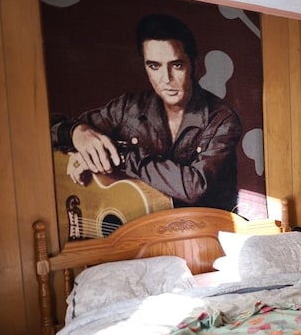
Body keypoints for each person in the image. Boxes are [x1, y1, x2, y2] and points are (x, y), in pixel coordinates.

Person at [51, 13, 242, 211]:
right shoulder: (127, 108)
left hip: (203, 230)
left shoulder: (222, 119)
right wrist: (76, 133)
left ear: (194, 64)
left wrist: (121, 156)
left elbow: (195, 186)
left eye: (176, 65)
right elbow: (43, 129)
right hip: (139, 230)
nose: (166, 78)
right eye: (154, 66)